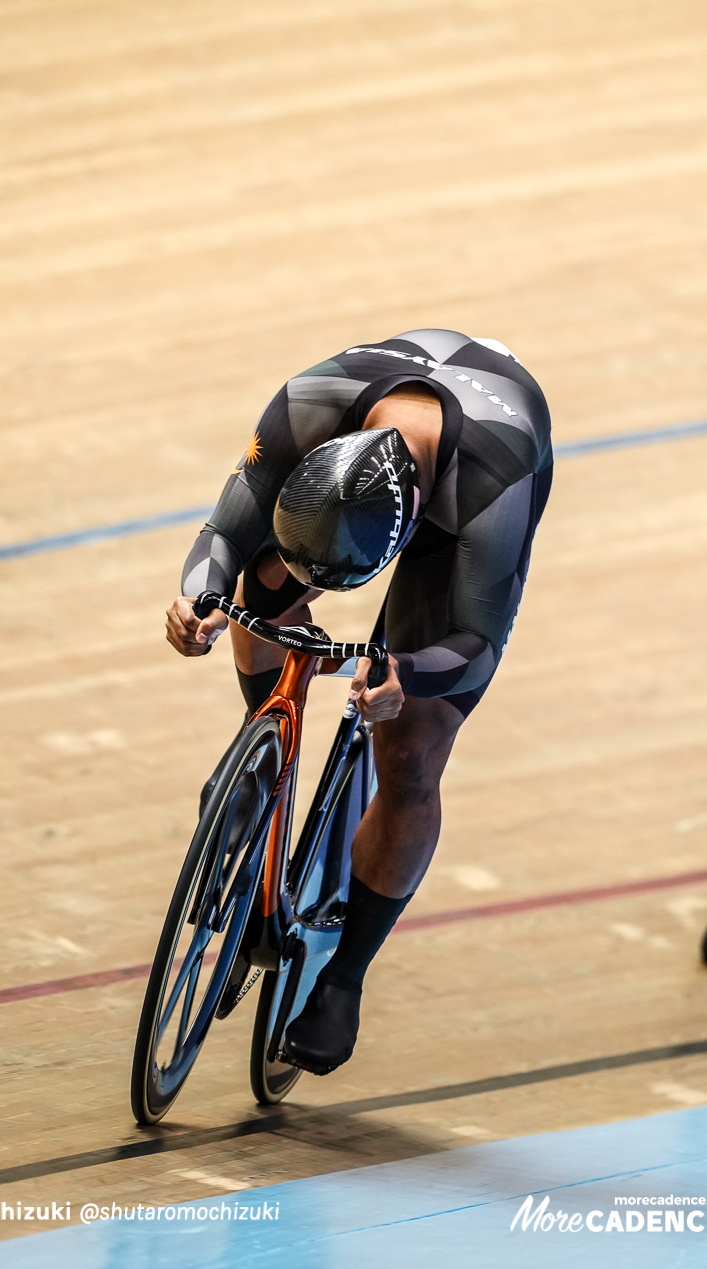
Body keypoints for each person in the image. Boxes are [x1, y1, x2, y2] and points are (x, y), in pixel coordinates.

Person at [163, 328, 553, 1075]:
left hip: (469, 498)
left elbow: (475, 641)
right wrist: (200, 600)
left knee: (409, 752)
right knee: (258, 598)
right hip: (362, 464)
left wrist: (405, 672)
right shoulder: (310, 402)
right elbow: (224, 531)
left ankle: (344, 977)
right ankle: (264, 744)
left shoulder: (492, 481)